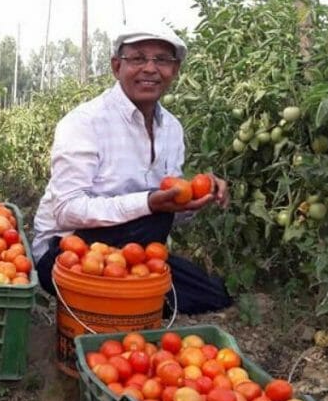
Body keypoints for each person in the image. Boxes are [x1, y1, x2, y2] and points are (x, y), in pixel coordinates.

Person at [31, 23, 233, 316]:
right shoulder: (85, 122)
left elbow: (170, 214)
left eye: (162, 60)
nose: (150, 69)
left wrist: (197, 199)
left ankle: (126, 295)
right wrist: (149, 202)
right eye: (138, 58)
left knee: (214, 294)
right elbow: (66, 209)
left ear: (174, 70)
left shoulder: (172, 129)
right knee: (153, 224)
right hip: (68, 249)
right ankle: (122, 301)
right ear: (116, 66)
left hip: (133, 251)